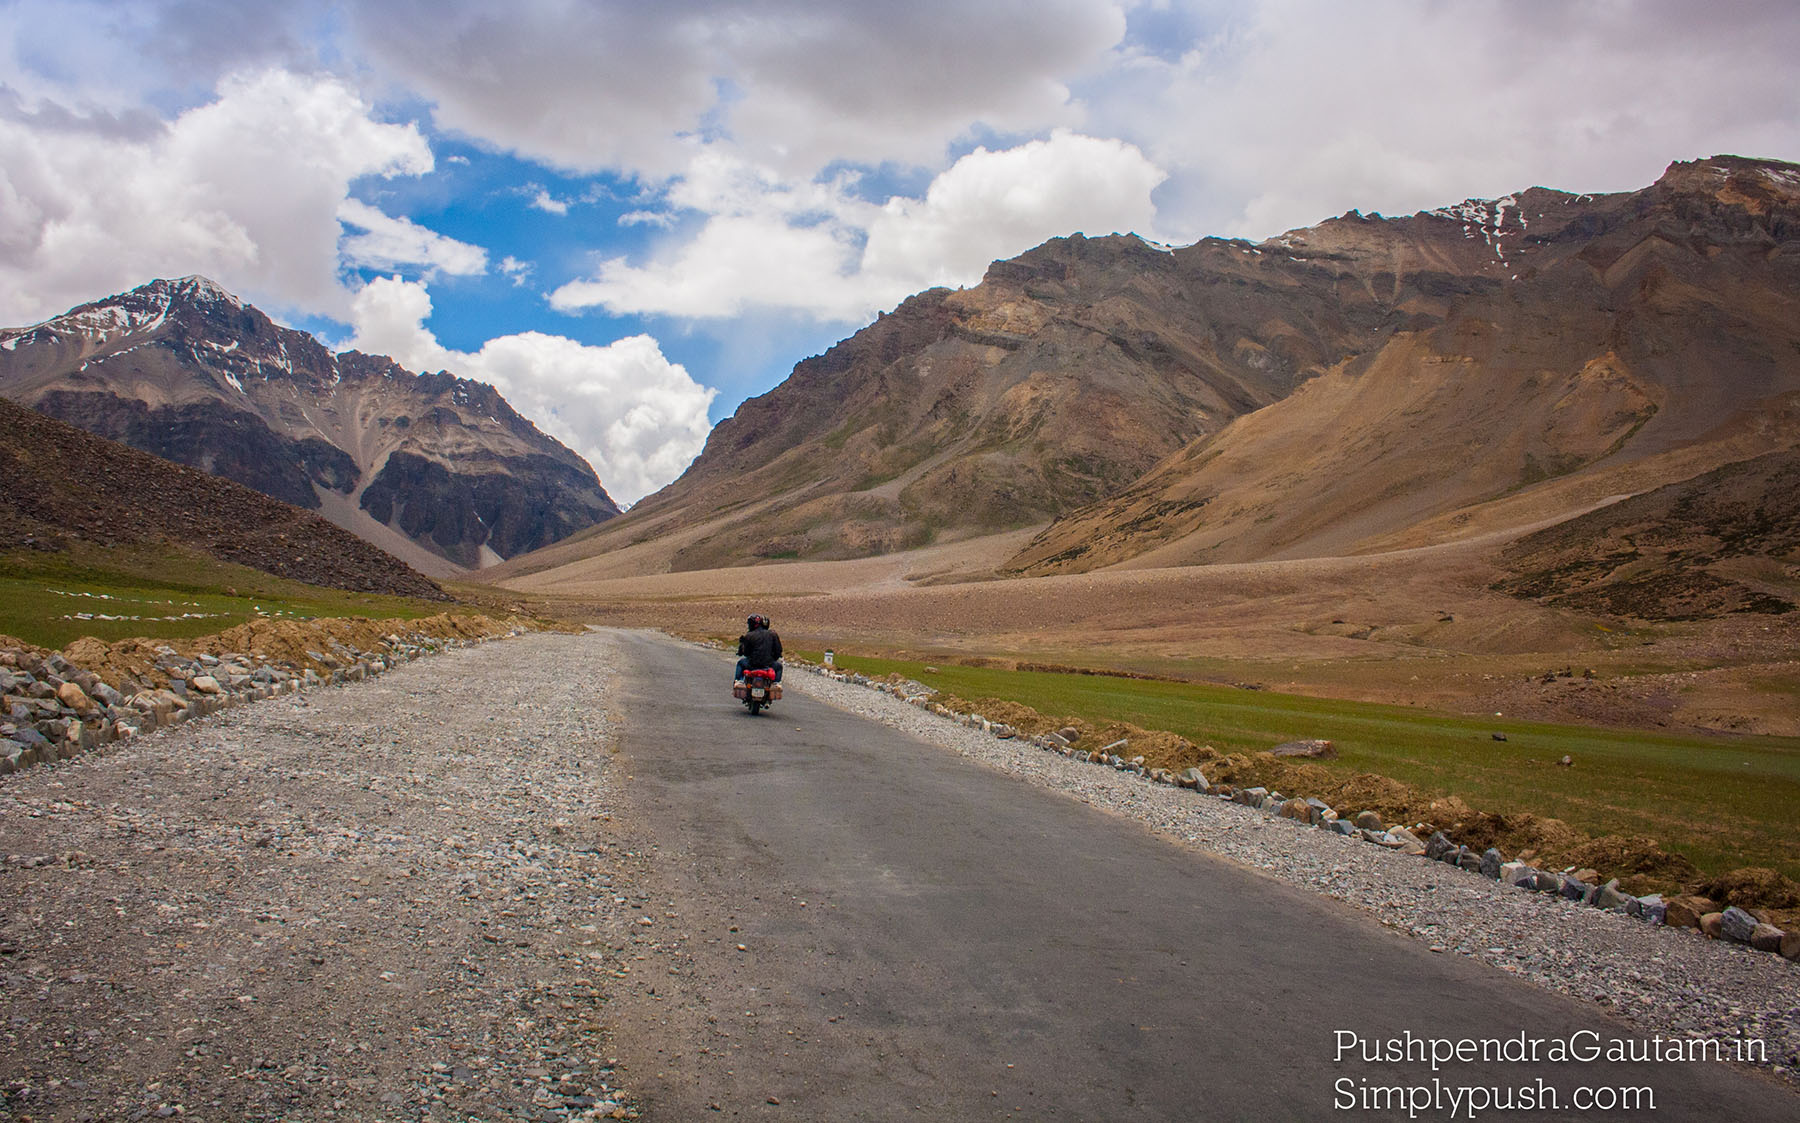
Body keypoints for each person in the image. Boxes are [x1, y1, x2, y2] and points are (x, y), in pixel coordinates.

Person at [735, 614, 783, 683]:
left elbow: (746, 652)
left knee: (740, 663)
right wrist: (773, 658)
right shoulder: (773, 634)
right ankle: (776, 683)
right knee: (779, 667)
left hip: (752, 665)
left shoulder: (749, 635)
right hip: (769, 664)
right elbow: (778, 651)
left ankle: (738, 681)